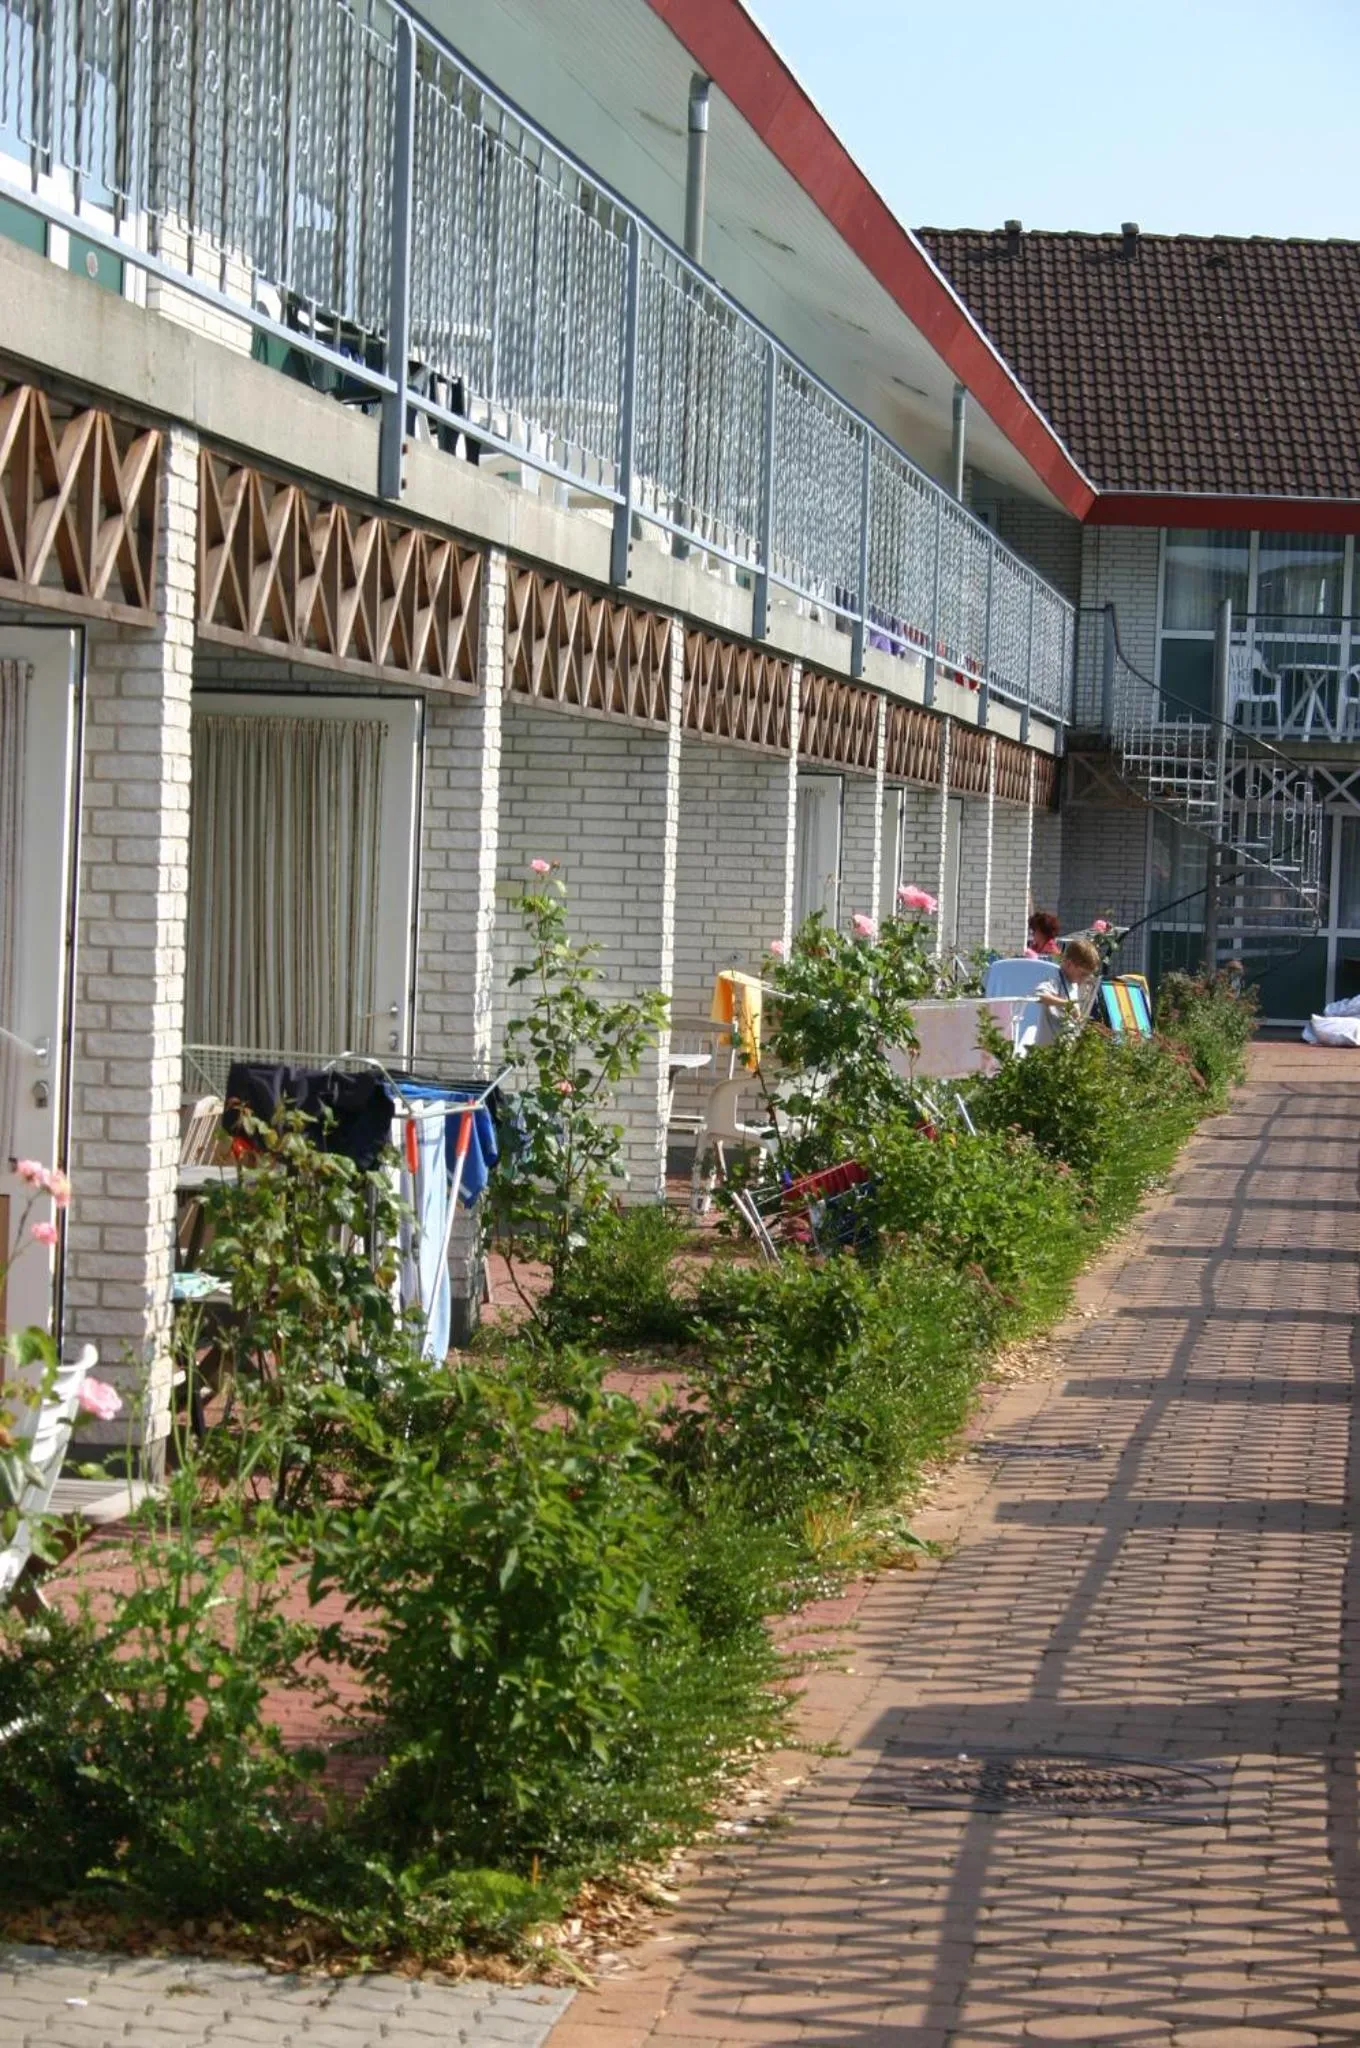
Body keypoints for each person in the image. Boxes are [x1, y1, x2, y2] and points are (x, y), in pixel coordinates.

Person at [1034, 936, 1101, 1047]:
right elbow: (1039, 995)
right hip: (1048, 1053)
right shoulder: (1054, 978)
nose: (1083, 979)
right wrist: (1067, 1005)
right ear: (1069, 964)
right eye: (1082, 974)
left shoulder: (1072, 984)